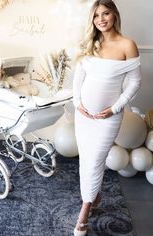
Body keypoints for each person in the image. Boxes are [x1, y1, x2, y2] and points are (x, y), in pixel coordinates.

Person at [72, 0, 141, 235]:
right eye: (96, 15)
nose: (101, 19)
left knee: (95, 161)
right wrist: (76, 103)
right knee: (86, 159)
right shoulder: (91, 43)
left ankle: (83, 214)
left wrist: (115, 107)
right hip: (83, 116)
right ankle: (95, 196)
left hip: (108, 118)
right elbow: (79, 76)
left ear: (114, 15)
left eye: (106, 13)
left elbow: (135, 82)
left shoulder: (127, 45)